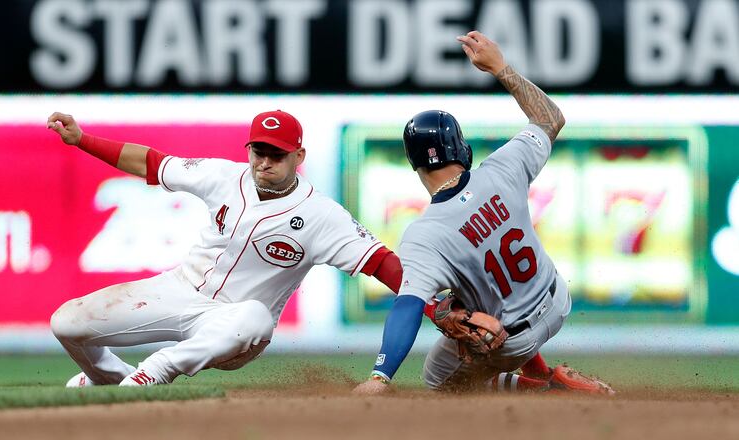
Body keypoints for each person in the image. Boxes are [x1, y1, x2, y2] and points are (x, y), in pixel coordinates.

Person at [47, 109, 404, 386]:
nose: (264, 162)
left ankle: (156, 370)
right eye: (258, 151)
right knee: (65, 322)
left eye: (277, 154)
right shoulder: (223, 176)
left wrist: (430, 305)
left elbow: (381, 262)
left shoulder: (322, 215)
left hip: (234, 325)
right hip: (178, 290)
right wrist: (82, 140)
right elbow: (152, 163)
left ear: (299, 156)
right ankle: (110, 377)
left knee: (257, 316)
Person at [353, 31, 614, 395]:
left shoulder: (424, 235)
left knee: (437, 380)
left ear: (416, 165)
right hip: (557, 301)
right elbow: (550, 118)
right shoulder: (503, 167)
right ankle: (545, 378)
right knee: (466, 303)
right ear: (461, 148)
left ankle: (548, 390)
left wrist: (380, 376)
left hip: (510, 340)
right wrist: (500, 67)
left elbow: (408, 307)